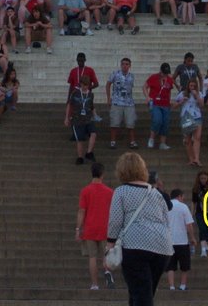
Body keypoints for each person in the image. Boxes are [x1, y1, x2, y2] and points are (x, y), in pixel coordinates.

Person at [106, 152, 173, 305]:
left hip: (135, 245)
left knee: (140, 293)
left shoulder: (121, 191)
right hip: (162, 246)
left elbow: (115, 221)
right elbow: (166, 220)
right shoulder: (156, 193)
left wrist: (110, 245)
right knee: (142, 292)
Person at [76, 162, 115, 291]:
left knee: (92, 257)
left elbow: (82, 211)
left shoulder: (85, 191)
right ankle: (108, 273)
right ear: (102, 174)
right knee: (106, 255)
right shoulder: (110, 192)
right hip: (105, 228)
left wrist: (78, 229)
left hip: (90, 228)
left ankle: (94, 284)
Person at [164, 188, 196, 292]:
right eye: (182, 197)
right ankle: (182, 285)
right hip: (182, 241)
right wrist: (192, 237)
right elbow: (189, 225)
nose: (183, 199)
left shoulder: (165, 207)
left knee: (170, 266)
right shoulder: (183, 207)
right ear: (179, 196)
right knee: (184, 265)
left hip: (168, 241)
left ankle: (171, 286)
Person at [65, 75, 98, 165]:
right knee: (80, 139)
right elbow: (69, 104)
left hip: (88, 118)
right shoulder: (75, 92)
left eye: (87, 85)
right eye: (84, 85)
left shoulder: (90, 94)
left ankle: (89, 152)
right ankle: (80, 157)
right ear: (80, 84)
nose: (85, 87)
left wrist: (95, 115)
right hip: (77, 119)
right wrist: (67, 118)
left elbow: (91, 106)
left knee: (93, 133)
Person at [107, 58, 138, 150]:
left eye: (127, 64)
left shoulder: (131, 76)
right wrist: (109, 98)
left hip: (129, 102)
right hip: (117, 101)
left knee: (130, 123)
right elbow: (108, 84)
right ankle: (113, 142)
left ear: (130, 66)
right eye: (123, 64)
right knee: (114, 123)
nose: (125, 66)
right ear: (121, 65)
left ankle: (132, 142)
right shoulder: (115, 74)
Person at [174, 79, 204, 167]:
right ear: (188, 86)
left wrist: (196, 96)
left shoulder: (199, 93)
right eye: (191, 86)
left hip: (197, 116)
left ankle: (196, 159)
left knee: (197, 138)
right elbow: (174, 106)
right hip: (186, 117)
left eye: (194, 86)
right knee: (187, 139)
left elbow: (202, 104)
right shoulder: (182, 93)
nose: (192, 87)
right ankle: (191, 159)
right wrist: (181, 101)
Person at [144, 63, 174, 150]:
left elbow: (169, 91)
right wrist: (147, 97)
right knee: (157, 120)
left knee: (165, 123)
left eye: (166, 73)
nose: (165, 75)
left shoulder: (169, 79)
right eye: (164, 73)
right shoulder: (154, 77)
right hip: (155, 103)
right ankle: (152, 138)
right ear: (160, 71)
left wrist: (169, 100)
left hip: (165, 104)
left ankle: (162, 143)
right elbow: (145, 87)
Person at [191, 170, 208, 259]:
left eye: (205, 178)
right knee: (202, 229)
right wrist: (192, 212)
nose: (203, 180)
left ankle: (205, 242)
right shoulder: (196, 189)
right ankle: (203, 250)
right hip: (200, 212)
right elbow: (194, 201)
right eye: (201, 178)